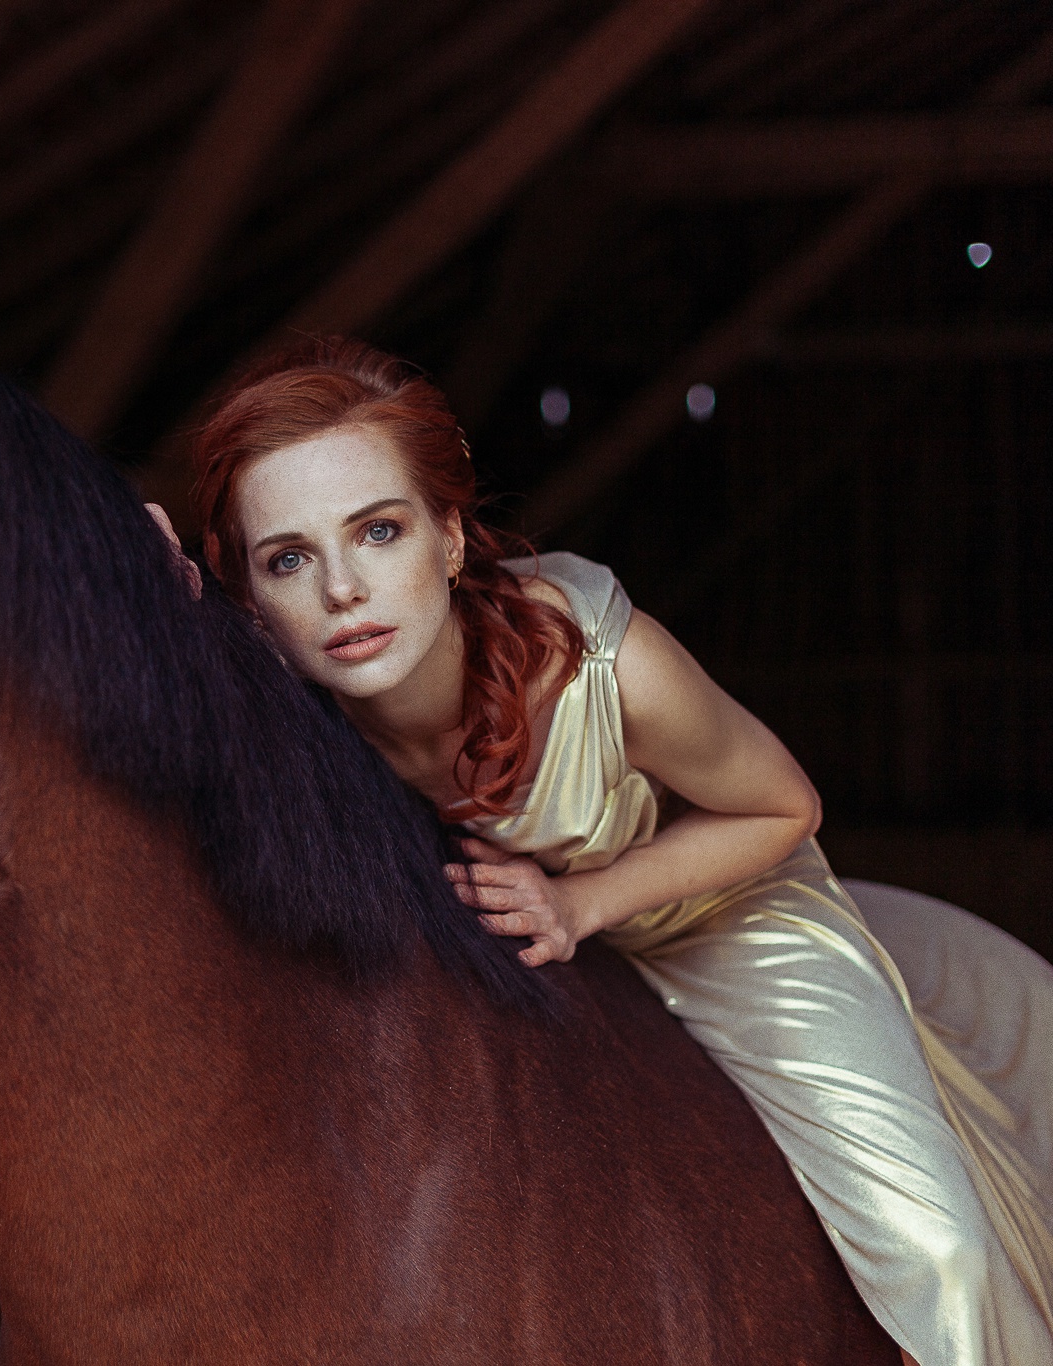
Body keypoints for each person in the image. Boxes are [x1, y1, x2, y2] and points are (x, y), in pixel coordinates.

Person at [152, 336, 1053, 1366]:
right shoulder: (291, 684)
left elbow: (782, 807)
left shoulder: (595, 660)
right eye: (289, 559)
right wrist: (150, 593)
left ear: (448, 537)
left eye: (378, 531)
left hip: (718, 920)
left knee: (941, 1252)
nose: (342, 591)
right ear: (252, 595)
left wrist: (583, 903)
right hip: (532, 971)